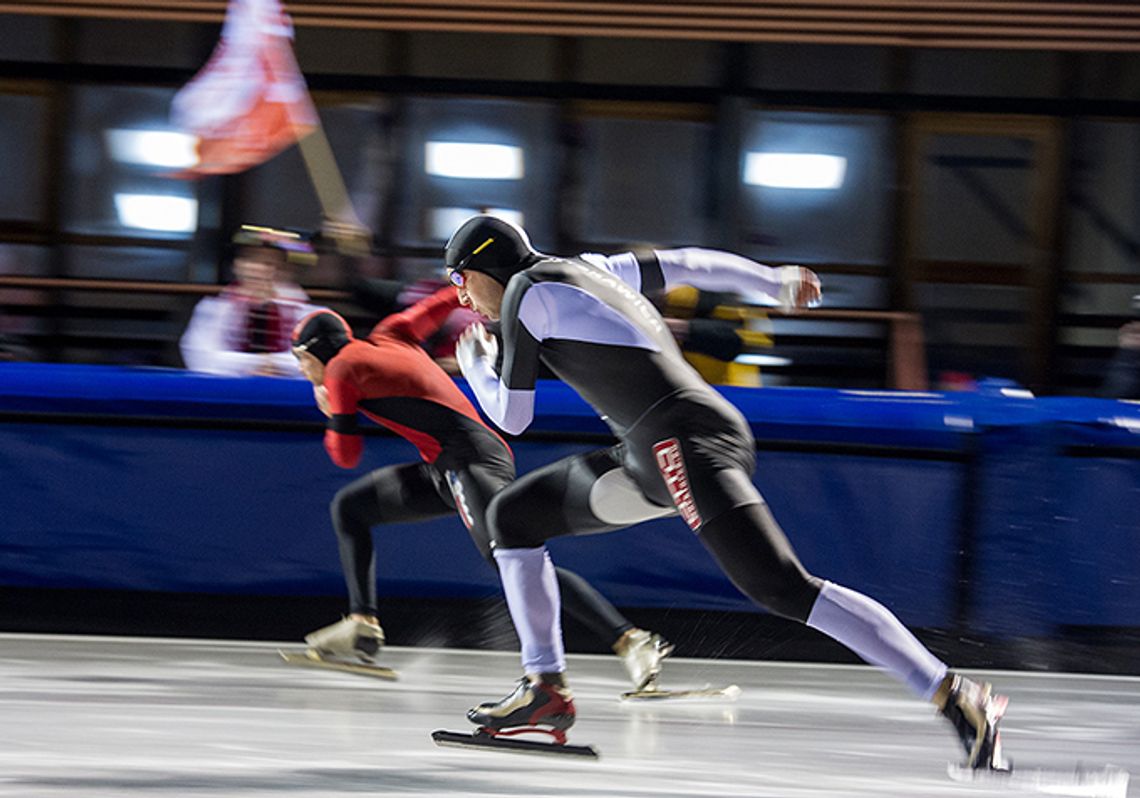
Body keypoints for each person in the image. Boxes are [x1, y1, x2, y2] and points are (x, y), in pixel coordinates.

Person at [447, 214, 1008, 770]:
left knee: (782, 586)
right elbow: (689, 263)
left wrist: (477, 368)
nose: (463, 300)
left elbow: (513, 417)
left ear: (486, 266)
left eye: (460, 281)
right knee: (514, 517)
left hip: (682, 443)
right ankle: (544, 687)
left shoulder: (524, 292)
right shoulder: (587, 267)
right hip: (656, 451)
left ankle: (955, 694)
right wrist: (773, 281)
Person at [289, 288, 673, 691]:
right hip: (450, 463)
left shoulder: (340, 371)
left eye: (301, 359)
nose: (301, 369)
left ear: (316, 353)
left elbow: (345, 455)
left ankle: (633, 639)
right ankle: (361, 624)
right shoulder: (390, 333)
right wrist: (476, 290)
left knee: (514, 562)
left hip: (469, 462)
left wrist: (334, 414)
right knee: (351, 508)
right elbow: (441, 302)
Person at [180, 225, 316, 378]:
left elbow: (313, 361)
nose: (260, 269)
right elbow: (202, 358)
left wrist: (273, 366)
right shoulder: (214, 308)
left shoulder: (309, 314)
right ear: (237, 266)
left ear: (286, 270)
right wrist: (261, 363)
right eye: (252, 260)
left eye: (270, 263)